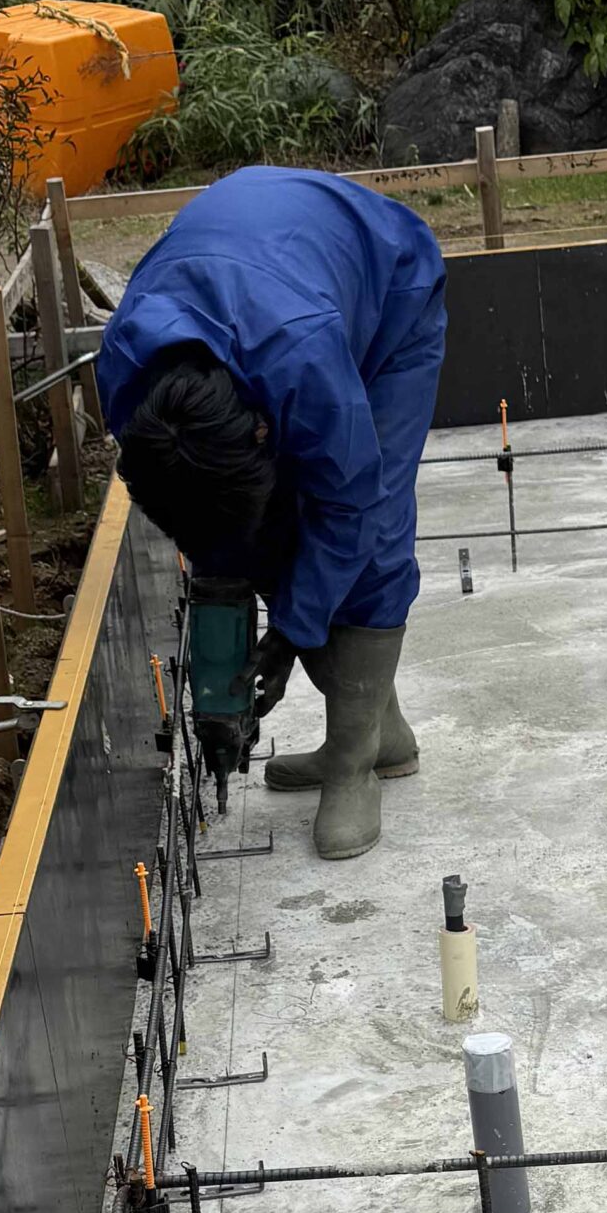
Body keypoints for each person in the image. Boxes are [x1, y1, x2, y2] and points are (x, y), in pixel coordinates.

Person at [95, 167, 446, 859]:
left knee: (372, 539)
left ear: (263, 430)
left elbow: (351, 509)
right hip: (272, 269)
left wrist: (292, 627)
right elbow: (208, 517)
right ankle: (383, 736)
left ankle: (354, 768)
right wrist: (233, 583)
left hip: (392, 289)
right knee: (264, 529)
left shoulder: (303, 359)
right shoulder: (128, 378)